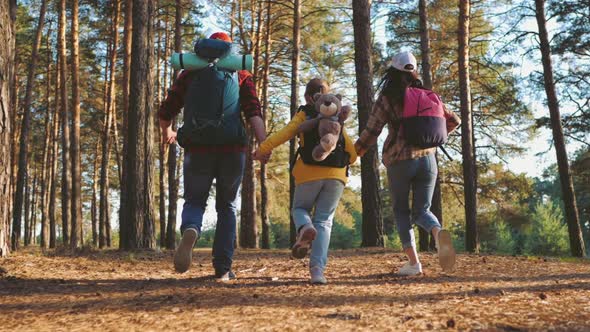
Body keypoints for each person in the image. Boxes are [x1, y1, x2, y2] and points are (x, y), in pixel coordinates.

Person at [159, 32, 267, 281]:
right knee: (227, 207)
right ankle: (222, 269)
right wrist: (263, 144)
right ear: (229, 52)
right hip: (232, 150)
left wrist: (168, 131)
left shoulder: (190, 73)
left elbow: (167, 110)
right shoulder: (240, 73)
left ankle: (191, 229)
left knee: (194, 201)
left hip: (198, 149)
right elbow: (253, 111)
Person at [355, 51, 461, 275]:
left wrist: (355, 152)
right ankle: (437, 232)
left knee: (402, 211)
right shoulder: (427, 95)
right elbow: (454, 120)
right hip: (428, 160)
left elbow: (372, 130)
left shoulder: (388, 97)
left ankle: (414, 264)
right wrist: (433, 138)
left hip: (400, 160)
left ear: (393, 71)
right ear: (413, 70)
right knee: (423, 210)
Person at [253, 78, 357, 284]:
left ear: (309, 97)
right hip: (336, 175)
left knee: (300, 209)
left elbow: (286, 133)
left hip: (309, 171)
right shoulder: (337, 120)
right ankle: (317, 271)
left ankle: (304, 228)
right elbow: (352, 154)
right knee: (325, 221)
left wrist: (262, 149)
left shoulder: (305, 114)